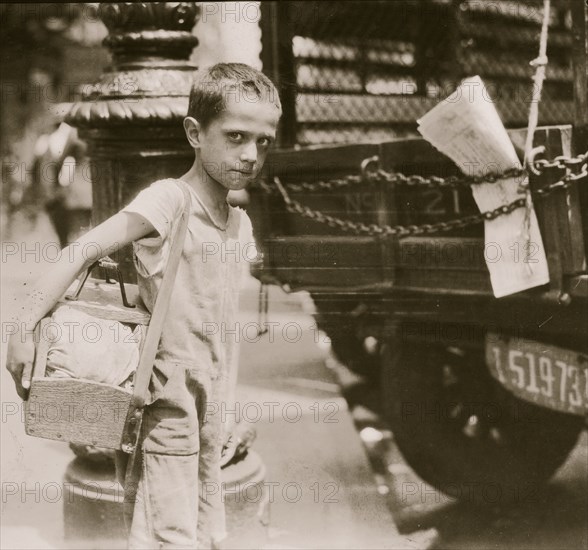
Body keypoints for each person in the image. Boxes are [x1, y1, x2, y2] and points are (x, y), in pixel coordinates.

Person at [6, 62, 282, 549]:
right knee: (167, 534)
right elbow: (82, 250)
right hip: (166, 402)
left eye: (263, 141)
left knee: (204, 529)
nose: (250, 154)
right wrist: (22, 328)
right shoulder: (170, 200)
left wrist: (230, 405)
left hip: (212, 407)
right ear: (195, 133)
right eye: (236, 136)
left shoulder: (238, 222)